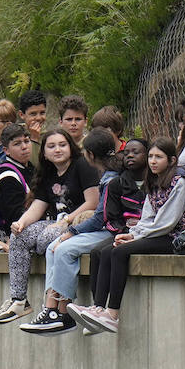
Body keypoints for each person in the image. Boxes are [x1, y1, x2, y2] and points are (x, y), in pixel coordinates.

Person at [78, 139, 185, 334]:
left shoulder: (181, 183)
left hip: (178, 237)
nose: (153, 161)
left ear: (171, 160)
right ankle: (98, 309)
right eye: (151, 157)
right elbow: (147, 217)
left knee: (119, 252)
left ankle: (112, 314)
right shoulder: (154, 181)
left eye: (159, 157)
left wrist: (136, 237)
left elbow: (166, 222)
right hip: (156, 233)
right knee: (105, 250)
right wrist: (132, 234)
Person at [21, 130, 121, 335]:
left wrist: (71, 231)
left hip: (111, 231)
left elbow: (99, 216)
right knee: (52, 248)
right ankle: (50, 309)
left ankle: (63, 312)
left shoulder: (111, 179)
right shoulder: (104, 175)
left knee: (64, 249)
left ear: (90, 155)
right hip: (98, 228)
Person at [0, 128, 100, 323]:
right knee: (20, 236)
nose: (57, 150)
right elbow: (38, 206)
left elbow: (92, 202)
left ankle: (55, 307)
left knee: (44, 238)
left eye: (62, 145)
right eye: (51, 146)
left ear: (71, 147)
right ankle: (19, 300)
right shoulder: (48, 172)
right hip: (56, 222)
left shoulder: (81, 165)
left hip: (81, 221)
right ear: (44, 152)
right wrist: (20, 223)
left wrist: (67, 220)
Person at [67, 138, 148, 332]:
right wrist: (121, 232)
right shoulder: (117, 183)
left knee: (109, 252)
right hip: (124, 231)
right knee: (96, 252)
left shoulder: (154, 181)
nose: (130, 155)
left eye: (136, 152)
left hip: (146, 231)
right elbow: (110, 216)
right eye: (126, 152)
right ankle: (98, 308)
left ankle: (105, 311)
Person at [17, 89, 48, 162]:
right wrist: (34, 138)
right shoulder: (15, 136)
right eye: (33, 114)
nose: (39, 118)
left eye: (42, 113)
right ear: (22, 115)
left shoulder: (50, 136)